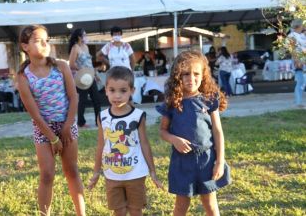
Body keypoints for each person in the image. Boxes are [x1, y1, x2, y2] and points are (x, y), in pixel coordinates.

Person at [16, 25, 85, 216]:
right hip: (43, 129)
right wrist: (52, 137)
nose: (45, 44)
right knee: (47, 175)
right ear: (25, 46)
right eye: (38, 41)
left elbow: (74, 98)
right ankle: (44, 214)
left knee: (71, 171)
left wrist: (67, 127)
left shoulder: (61, 67)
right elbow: (35, 114)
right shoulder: (23, 77)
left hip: (66, 124)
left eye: (47, 39)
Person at [156, 51, 231, 216]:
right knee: (181, 207)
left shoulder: (209, 100)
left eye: (196, 73)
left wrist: (219, 161)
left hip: (207, 160)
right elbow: (162, 131)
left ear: (203, 75)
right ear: (177, 76)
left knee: (211, 205)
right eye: (185, 74)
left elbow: (218, 131)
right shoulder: (172, 102)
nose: (191, 78)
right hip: (182, 162)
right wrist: (174, 139)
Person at [87, 66, 162, 215]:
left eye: (123, 90)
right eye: (112, 90)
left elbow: (145, 144)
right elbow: (101, 145)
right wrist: (96, 172)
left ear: (132, 91)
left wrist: (152, 171)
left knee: (135, 210)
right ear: (106, 90)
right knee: (118, 211)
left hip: (135, 174)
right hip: (112, 175)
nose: (117, 96)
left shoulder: (138, 116)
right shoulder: (102, 116)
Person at [68, 28, 101, 127]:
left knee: (96, 99)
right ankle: (81, 122)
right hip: (81, 78)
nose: (86, 37)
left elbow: (89, 63)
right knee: (83, 100)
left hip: (90, 76)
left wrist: (95, 74)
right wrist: (82, 70)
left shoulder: (86, 47)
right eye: (84, 35)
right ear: (79, 37)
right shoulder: (75, 48)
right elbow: (71, 64)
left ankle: (98, 121)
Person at [287, 19, 306, 108]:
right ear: (299, 26)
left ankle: (299, 101)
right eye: (302, 25)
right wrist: (297, 61)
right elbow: (292, 50)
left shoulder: (302, 35)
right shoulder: (291, 36)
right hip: (298, 60)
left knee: (303, 81)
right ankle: (298, 102)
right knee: (300, 81)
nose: (303, 26)